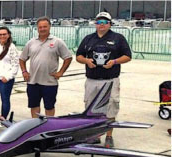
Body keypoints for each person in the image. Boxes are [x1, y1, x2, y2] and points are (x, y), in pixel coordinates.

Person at [75, 12, 131, 148]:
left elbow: (128, 56)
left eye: (105, 22)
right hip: (92, 80)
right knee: (91, 108)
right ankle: (94, 135)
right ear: (95, 24)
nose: (102, 25)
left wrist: (115, 61)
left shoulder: (118, 38)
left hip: (110, 80)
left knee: (111, 108)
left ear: (110, 24)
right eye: (99, 22)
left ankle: (109, 136)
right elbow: (78, 56)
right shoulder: (88, 39)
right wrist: (86, 61)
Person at [19, 16, 73, 119]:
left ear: (50, 27)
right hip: (33, 81)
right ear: (37, 28)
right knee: (34, 106)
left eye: (45, 26)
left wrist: (61, 72)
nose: (42, 29)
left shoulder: (58, 42)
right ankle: (35, 126)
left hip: (50, 82)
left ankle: (49, 126)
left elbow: (68, 57)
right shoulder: (31, 42)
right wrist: (24, 71)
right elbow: (22, 59)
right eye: (40, 27)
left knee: (49, 106)